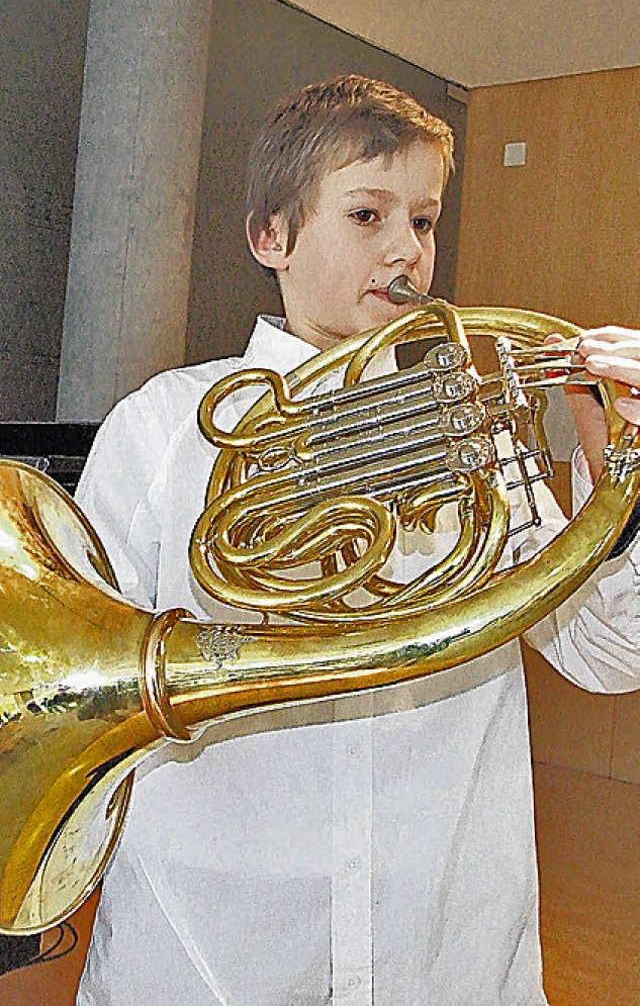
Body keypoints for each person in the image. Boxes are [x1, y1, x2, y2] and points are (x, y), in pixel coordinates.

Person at [75, 75, 640, 1005]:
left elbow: (607, 655)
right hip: (211, 945)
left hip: (448, 940)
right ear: (272, 237)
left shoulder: (480, 432)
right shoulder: (166, 427)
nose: (406, 254)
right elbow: (91, 674)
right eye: (367, 213)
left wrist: (612, 481)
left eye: (424, 221)